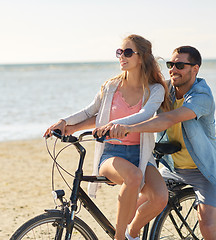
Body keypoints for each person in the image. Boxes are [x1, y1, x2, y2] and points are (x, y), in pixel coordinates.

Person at [44, 34, 170, 240]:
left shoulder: (155, 89)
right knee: (133, 177)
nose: (122, 56)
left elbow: (146, 114)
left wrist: (119, 125)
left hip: (142, 155)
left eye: (128, 52)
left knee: (160, 198)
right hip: (112, 154)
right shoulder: (111, 86)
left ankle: (131, 233)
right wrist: (64, 122)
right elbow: (89, 112)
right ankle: (120, 237)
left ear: (142, 57)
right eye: (119, 52)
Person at [107, 46, 216, 240]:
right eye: (171, 64)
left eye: (180, 65)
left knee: (206, 223)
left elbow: (169, 119)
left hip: (202, 170)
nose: (173, 69)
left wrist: (130, 128)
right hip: (170, 167)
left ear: (195, 69)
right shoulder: (164, 91)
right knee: (133, 208)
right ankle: (132, 234)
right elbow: (135, 103)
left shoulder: (201, 96)